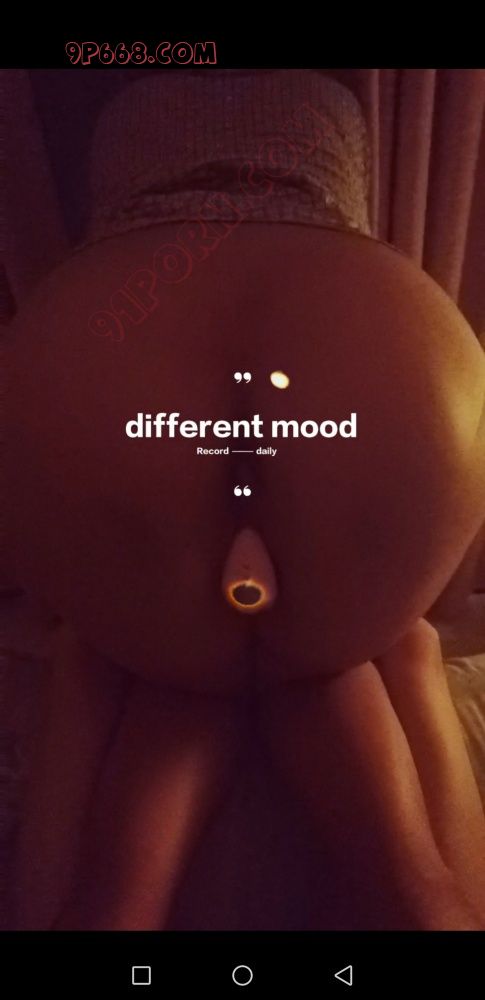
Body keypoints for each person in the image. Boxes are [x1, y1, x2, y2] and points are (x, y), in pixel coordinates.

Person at [7, 69, 485, 929]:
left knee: (104, 659)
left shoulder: (96, 93)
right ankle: (425, 901)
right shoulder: (352, 93)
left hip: (116, 362)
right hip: (372, 367)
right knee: (399, 644)